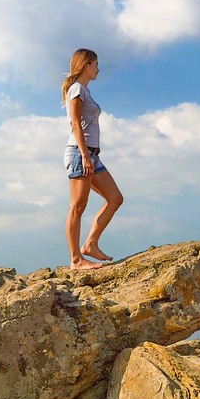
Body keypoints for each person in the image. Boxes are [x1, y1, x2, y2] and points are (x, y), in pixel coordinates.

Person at [61, 48, 124, 270]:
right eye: (95, 64)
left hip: (92, 155)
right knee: (77, 207)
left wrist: (90, 156)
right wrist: (85, 156)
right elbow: (75, 124)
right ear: (86, 65)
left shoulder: (84, 91)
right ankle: (76, 259)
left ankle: (90, 244)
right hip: (81, 153)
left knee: (115, 198)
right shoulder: (77, 89)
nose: (98, 68)